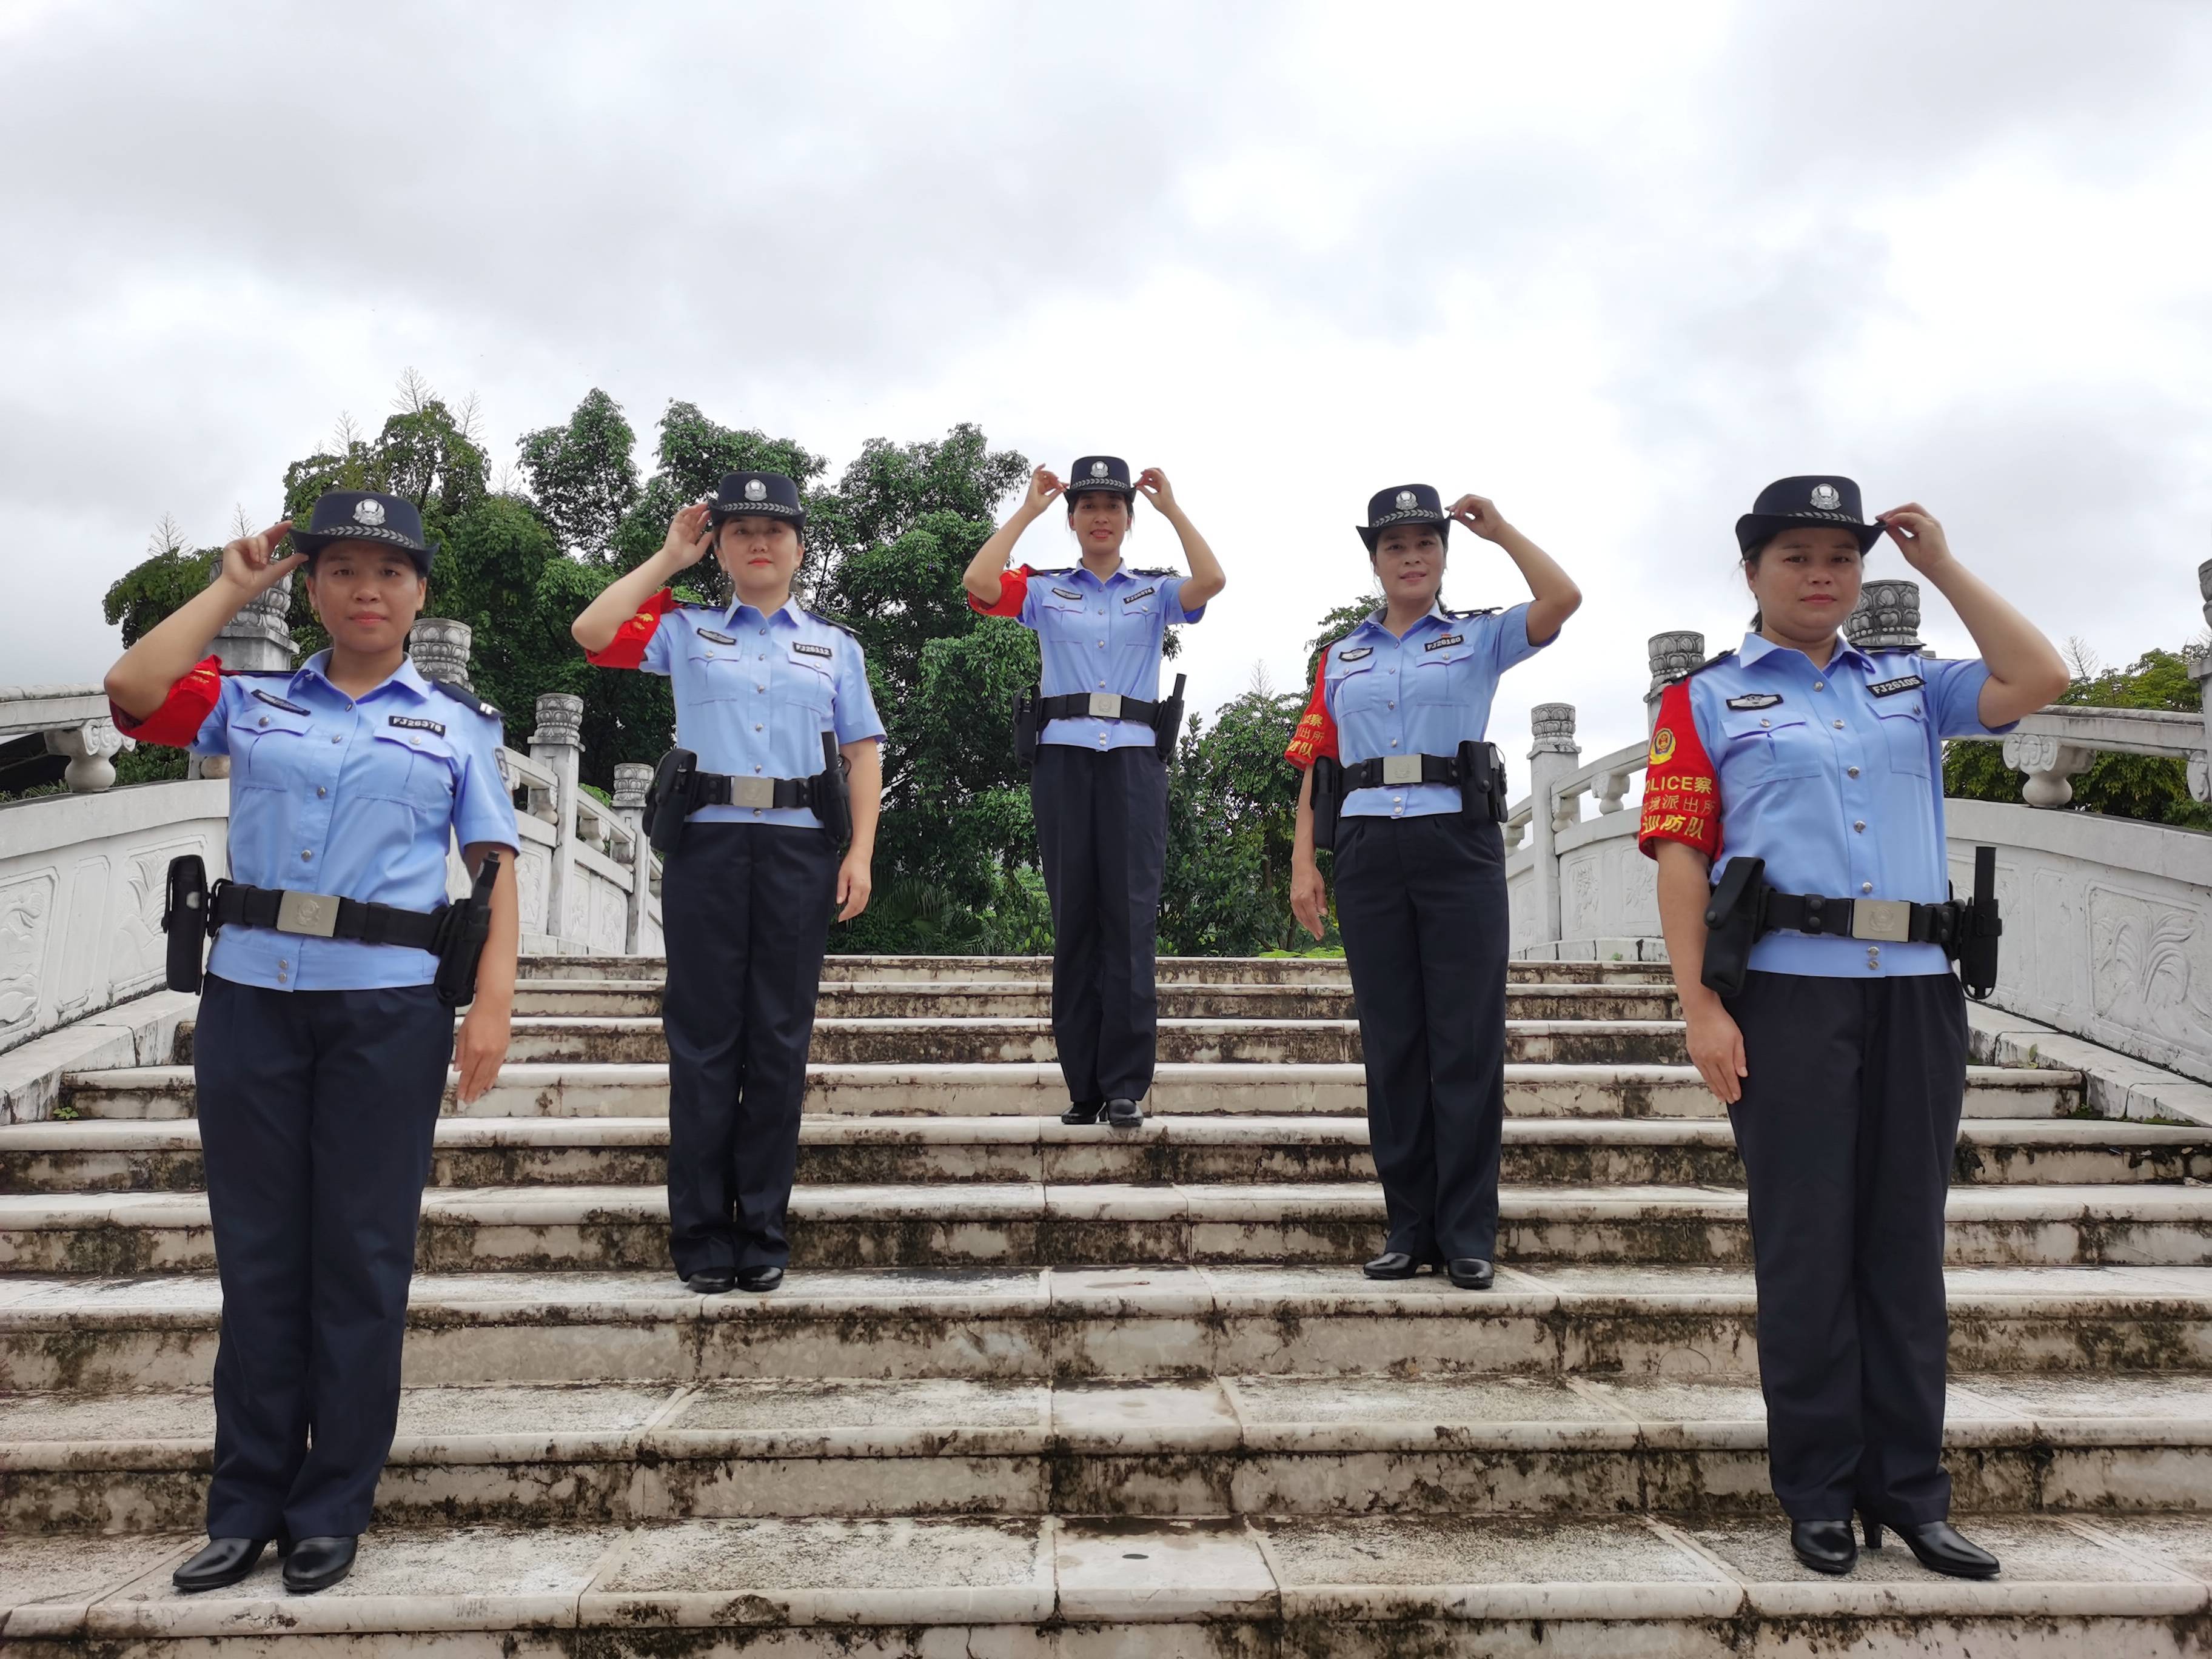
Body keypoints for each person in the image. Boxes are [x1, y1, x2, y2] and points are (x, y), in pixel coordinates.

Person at [1639, 475, 2068, 1580]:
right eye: (1796, 556)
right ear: (1751, 573)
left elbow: (2039, 676)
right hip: (1786, 993)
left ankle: (1910, 1493)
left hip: (1915, 990)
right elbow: (1681, 856)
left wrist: (1941, 566)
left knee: (1900, 1246)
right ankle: (1819, 1491)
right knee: (1804, 1246)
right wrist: (1699, 1006)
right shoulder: (1703, 700)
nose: (1821, 574)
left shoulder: (1908, 688)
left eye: (1841, 556)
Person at [103, 492, 521, 1596]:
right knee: (259, 1259)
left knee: (362, 1259)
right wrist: (233, 587)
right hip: (251, 1000)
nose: (367, 590)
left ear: (420, 593)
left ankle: (332, 1500)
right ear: (316, 588)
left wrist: (492, 1003)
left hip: (387, 1010)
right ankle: (242, 1505)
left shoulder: (457, 725)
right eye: (342, 570)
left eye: (390, 572)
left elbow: (490, 864)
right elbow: (133, 693)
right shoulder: (250, 706)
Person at [571, 472, 882, 1296]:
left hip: (799, 850)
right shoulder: (686, 630)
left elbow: (863, 752)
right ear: (722, 548)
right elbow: (593, 631)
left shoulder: (834, 647)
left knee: (778, 1041)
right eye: (741, 531)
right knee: (704, 1041)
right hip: (708, 845)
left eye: (775, 533)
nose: (758, 544)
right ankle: (703, 1233)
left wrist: (861, 855)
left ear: (799, 549)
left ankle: (763, 1228)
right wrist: (668, 558)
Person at [1284, 485, 1580, 1290]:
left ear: (1444, 555)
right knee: (1394, 1043)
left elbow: (1563, 599)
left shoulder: (1480, 638)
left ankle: (1467, 1232)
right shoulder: (1342, 656)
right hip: (1372, 846)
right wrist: (1304, 860)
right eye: (1395, 546)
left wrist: (1505, 531)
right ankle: (1407, 1226)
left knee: (1466, 1041)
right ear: (1375, 560)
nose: (1412, 558)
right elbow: (1321, 765)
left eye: (1426, 544)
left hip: (1459, 842)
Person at [962, 457, 1225, 1129]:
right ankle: (1084, 1086)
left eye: (1114, 506)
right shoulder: (1047, 591)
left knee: (1131, 919)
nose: (1101, 517)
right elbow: (979, 582)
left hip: (1135, 759)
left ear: (1128, 521)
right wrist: (1027, 511)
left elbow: (1212, 581)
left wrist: (1173, 509)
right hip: (1065, 760)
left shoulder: (1154, 592)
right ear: (1074, 518)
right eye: (1088, 507)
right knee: (1074, 918)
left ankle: (1127, 1085)